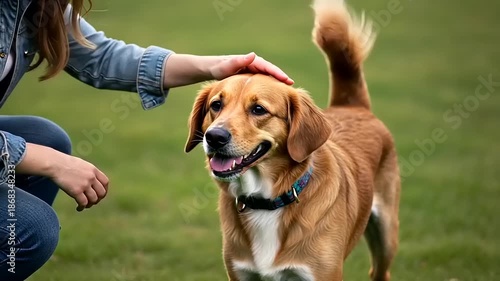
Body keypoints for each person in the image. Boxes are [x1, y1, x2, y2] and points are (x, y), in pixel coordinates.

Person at [0, 0, 294, 280]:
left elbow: (101, 56)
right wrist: (50, 162)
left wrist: (217, 65)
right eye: (217, 106)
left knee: (47, 138)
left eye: (258, 110)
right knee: (33, 228)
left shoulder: (35, 5)